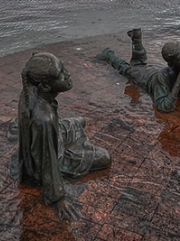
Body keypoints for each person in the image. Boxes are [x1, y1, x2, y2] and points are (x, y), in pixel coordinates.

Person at [18, 53, 111, 221]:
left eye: (64, 68)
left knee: (79, 121)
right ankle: (77, 150)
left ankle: (74, 141)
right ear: (45, 86)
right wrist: (58, 199)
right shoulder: (44, 119)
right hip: (55, 157)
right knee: (105, 157)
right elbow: (48, 163)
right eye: (61, 73)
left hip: (54, 136)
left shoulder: (28, 92)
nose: (67, 74)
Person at [96, 28, 180, 113]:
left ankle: (137, 39)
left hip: (152, 71)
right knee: (126, 68)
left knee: (140, 63)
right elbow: (164, 106)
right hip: (146, 78)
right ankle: (109, 54)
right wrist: (179, 82)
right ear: (172, 64)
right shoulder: (164, 76)